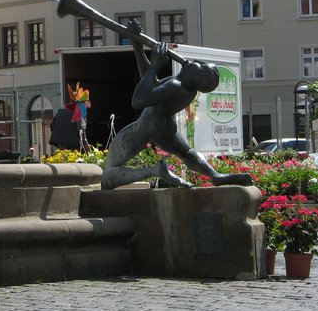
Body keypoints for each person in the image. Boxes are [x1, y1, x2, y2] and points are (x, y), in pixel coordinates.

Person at [102, 20, 253, 190]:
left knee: (108, 176)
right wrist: (136, 42)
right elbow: (149, 81)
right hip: (165, 125)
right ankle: (215, 175)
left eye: (200, 67)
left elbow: (138, 100)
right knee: (186, 152)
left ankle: (155, 170)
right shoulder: (186, 88)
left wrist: (155, 66)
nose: (196, 62)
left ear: (196, 78)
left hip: (147, 125)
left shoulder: (176, 85)